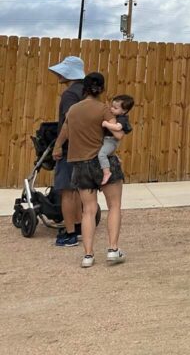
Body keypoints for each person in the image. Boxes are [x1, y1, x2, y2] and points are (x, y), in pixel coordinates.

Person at [52, 72, 126, 268]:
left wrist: (57, 147)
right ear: (102, 89)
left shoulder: (73, 110)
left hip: (80, 164)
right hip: (103, 163)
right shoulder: (103, 109)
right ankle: (112, 249)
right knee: (114, 206)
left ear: (83, 88)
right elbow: (117, 132)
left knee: (88, 211)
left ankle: (88, 255)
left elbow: (65, 131)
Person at [49, 55, 86, 248]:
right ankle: (79, 227)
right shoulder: (86, 92)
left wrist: (58, 145)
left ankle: (70, 233)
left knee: (66, 190)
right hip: (84, 147)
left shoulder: (70, 94)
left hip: (69, 148)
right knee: (78, 189)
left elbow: (69, 121)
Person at [98, 95, 135, 186]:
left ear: (124, 111)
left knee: (101, 154)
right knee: (104, 151)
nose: (112, 109)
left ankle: (107, 172)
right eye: (112, 106)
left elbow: (118, 127)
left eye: (115, 108)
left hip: (111, 140)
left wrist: (106, 124)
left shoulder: (123, 118)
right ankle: (116, 157)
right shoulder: (116, 116)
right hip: (107, 140)